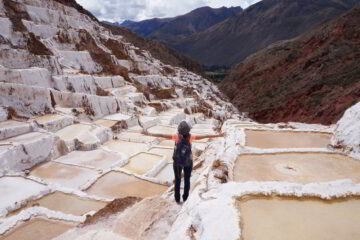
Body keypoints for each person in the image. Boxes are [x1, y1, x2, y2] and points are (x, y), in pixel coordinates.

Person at [142, 121, 224, 203]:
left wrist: (149, 133)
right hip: (188, 162)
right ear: (188, 130)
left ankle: (177, 199)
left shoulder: (176, 137)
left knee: (177, 180)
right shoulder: (190, 137)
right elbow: (206, 136)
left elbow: (162, 135)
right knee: (187, 180)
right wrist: (219, 135)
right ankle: (185, 198)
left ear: (179, 130)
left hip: (177, 163)